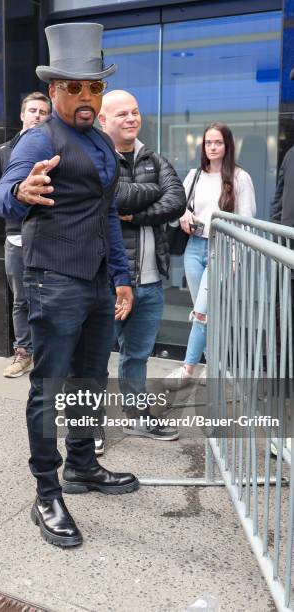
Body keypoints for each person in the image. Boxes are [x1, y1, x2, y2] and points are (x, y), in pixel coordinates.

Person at [0, 22, 138, 548]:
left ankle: (82, 465)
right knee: (50, 388)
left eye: (92, 87)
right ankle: (47, 492)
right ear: (53, 91)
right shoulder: (38, 139)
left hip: (98, 282)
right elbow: (1, 198)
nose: (85, 97)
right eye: (73, 87)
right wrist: (22, 193)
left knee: (90, 380)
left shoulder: (100, 142)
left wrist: (121, 278)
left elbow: (107, 217)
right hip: (54, 281)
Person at [98, 90, 186, 444]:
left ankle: (137, 415)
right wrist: (150, 194)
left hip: (150, 282)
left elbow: (176, 200)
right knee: (94, 358)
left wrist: (134, 213)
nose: (132, 118)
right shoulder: (97, 161)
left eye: (135, 112)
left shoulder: (154, 158)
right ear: (103, 120)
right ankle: (88, 427)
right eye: (122, 114)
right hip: (108, 282)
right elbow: (114, 196)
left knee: (137, 356)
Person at [164, 122, 256, 388]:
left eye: (218, 143)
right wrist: (183, 215)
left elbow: (246, 221)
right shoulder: (194, 175)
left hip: (223, 249)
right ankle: (214, 365)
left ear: (227, 146)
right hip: (194, 247)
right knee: (203, 311)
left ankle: (188, 369)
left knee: (202, 312)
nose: (212, 147)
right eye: (208, 143)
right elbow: (177, 205)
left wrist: (236, 256)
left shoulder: (240, 178)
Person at [0, 92, 51, 377]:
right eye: (32, 110)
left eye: (43, 112)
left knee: (53, 298)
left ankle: (51, 355)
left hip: (50, 237)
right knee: (21, 299)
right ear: (22, 115)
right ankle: (23, 352)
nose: (37, 115)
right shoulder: (3, 152)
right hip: (15, 237)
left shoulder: (55, 149)